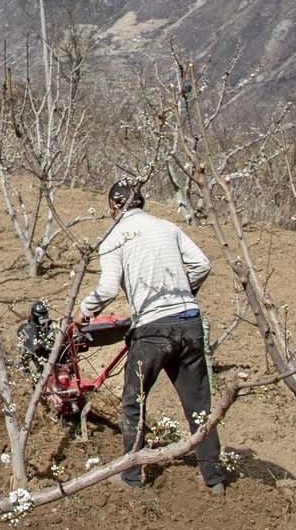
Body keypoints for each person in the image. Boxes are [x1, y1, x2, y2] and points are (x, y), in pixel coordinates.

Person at [78, 180, 224, 494]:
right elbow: (203, 264)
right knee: (199, 406)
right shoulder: (167, 227)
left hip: (152, 331)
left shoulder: (115, 237)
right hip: (189, 323)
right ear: (141, 202)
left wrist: (84, 310)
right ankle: (213, 479)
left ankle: (131, 478)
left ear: (113, 207)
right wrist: (185, 292)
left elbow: (106, 289)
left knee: (133, 402)